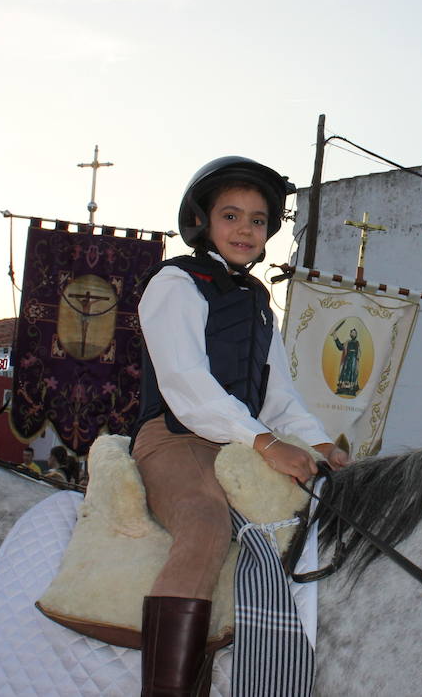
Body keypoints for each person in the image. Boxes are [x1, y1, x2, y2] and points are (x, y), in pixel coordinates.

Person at [132, 156, 350, 697]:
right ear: (201, 221)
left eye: (257, 220)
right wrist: (267, 443)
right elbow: (186, 384)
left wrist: (321, 444)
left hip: (245, 440)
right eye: (231, 216)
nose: (245, 229)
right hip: (177, 437)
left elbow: (277, 396)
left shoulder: (258, 302)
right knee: (206, 526)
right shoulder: (175, 282)